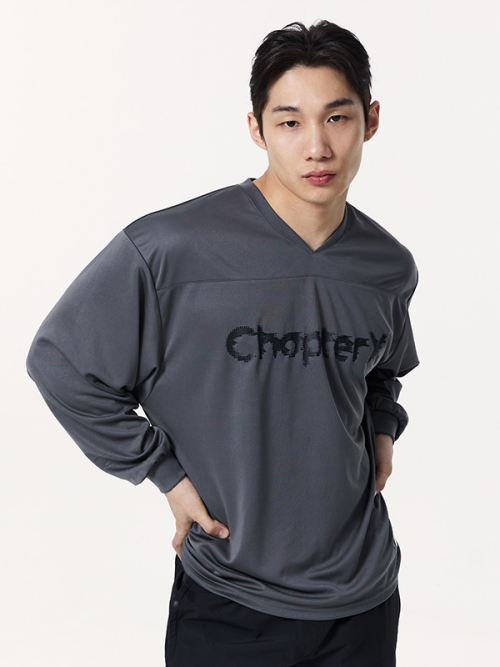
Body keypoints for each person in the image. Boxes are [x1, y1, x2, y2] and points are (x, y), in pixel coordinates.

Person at [26, 19, 420, 667]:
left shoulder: (387, 265)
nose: (317, 146)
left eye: (337, 118)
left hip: (363, 598)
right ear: (256, 129)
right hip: (229, 594)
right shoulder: (169, 250)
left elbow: (383, 369)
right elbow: (61, 363)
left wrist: (381, 426)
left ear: (370, 121)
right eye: (290, 122)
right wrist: (164, 472)